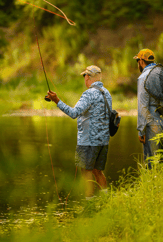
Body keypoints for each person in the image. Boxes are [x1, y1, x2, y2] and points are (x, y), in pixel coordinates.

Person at [46, 65, 113, 199]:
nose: (84, 79)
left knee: (86, 171)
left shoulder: (88, 94)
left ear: (87, 77)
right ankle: (106, 200)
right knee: (98, 171)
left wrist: (56, 101)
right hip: (103, 140)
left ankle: (89, 202)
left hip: (88, 141)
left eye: (85, 76)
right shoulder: (106, 93)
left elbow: (73, 113)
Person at [133, 49, 163, 169]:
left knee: (151, 162)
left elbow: (142, 106)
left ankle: (153, 184)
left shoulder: (143, 77)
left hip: (152, 123)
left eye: (138, 61)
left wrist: (141, 130)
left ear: (141, 61)